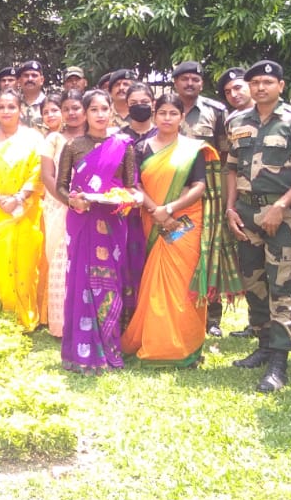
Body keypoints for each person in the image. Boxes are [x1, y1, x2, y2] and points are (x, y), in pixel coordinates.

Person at [223, 61, 291, 392]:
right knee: (254, 282)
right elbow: (232, 168)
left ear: (281, 84)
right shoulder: (237, 122)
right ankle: (263, 345)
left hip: (282, 214)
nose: (260, 87)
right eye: (255, 82)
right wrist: (230, 208)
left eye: (267, 81)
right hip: (246, 212)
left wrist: (280, 206)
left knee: (282, 285)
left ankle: (279, 360)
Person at [123, 88, 219, 366]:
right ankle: (156, 343)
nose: (167, 118)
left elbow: (199, 186)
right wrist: (155, 210)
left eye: (173, 113)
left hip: (185, 222)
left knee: (181, 283)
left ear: (182, 116)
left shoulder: (192, 148)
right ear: (155, 115)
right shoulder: (141, 148)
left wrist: (170, 210)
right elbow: (134, 185)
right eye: (162, 113)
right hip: (150, 219)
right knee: (153, 283)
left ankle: (185, 346)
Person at [56, 89, 139, 372]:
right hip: (82, 221)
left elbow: (132, 187)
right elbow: (60, 186)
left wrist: (120, 197)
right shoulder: (74, 146)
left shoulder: (124, 145)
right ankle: (80, 352)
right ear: (86, 113)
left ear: (112, 112)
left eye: (105, 109)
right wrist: (73, 200)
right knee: (80, 281)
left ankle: (109, 346)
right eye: (94, 110)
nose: (100, 115)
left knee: (110, 283)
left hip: (112, 223)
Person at [0, 90, 46, 331]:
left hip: (27, 206)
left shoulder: (35, 138)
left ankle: (29, 314)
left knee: (28, 259)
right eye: (1, 107)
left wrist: (19, 197)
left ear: (20, 110)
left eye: (11, 107)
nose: (6, 111)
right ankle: (5, 310)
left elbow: (39, 171)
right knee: (0, 260)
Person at [174, 61, 234, 337]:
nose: (190, 84)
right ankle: (177, 308)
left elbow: (224, 153)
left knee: (209, 248)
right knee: (175, 246)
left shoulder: (216, 111)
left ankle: (212, 316)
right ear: (176, 82)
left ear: (202, 83)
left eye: (195, 79)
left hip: (207, 189)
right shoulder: (163, 107)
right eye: (184, 79)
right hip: (172, 190)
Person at [40, 92, 85, 337]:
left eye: (76, 107)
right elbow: (47, 176)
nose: (71, 113)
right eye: (66, 108)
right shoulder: (54, 139)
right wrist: (67, 201)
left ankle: (85, 320)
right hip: (58, 207)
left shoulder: (97, 138)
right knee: (59, 263)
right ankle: (61, 325)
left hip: (91, 207)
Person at [16, 60, 47, 130]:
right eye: (26, 75)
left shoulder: (49, 104)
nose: (30, 79)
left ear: (42, 80)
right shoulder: (14, 104)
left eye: (34, 75)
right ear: (19, 80)